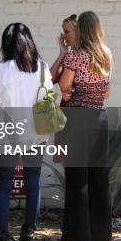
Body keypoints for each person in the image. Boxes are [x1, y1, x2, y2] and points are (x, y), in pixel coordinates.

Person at [0, 23, 53, 241]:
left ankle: (1, 237)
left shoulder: (3, 70)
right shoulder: (43, 67)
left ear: (6, 44)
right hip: (36, 133)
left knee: (3, 185)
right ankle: (27, 237)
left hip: (9, 133)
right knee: (32, 184)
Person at [59, 11, 113, 241]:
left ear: (81, 30)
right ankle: (102, 236)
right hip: (100, 118)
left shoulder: (76, 55)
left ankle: (78, 237)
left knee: (77, 176)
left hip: (78, 118)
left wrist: (69, 92)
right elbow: (107, 92)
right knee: (99, 177)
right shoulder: (106, 54)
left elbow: (63, 84)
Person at [50, 14, 77, 163]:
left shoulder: (86, 56)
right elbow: (50, 79)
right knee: (68, 162)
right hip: (66, 112)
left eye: (67, 31)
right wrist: (62, 53)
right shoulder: (69, 56)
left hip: (78, 114)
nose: (63, 36)